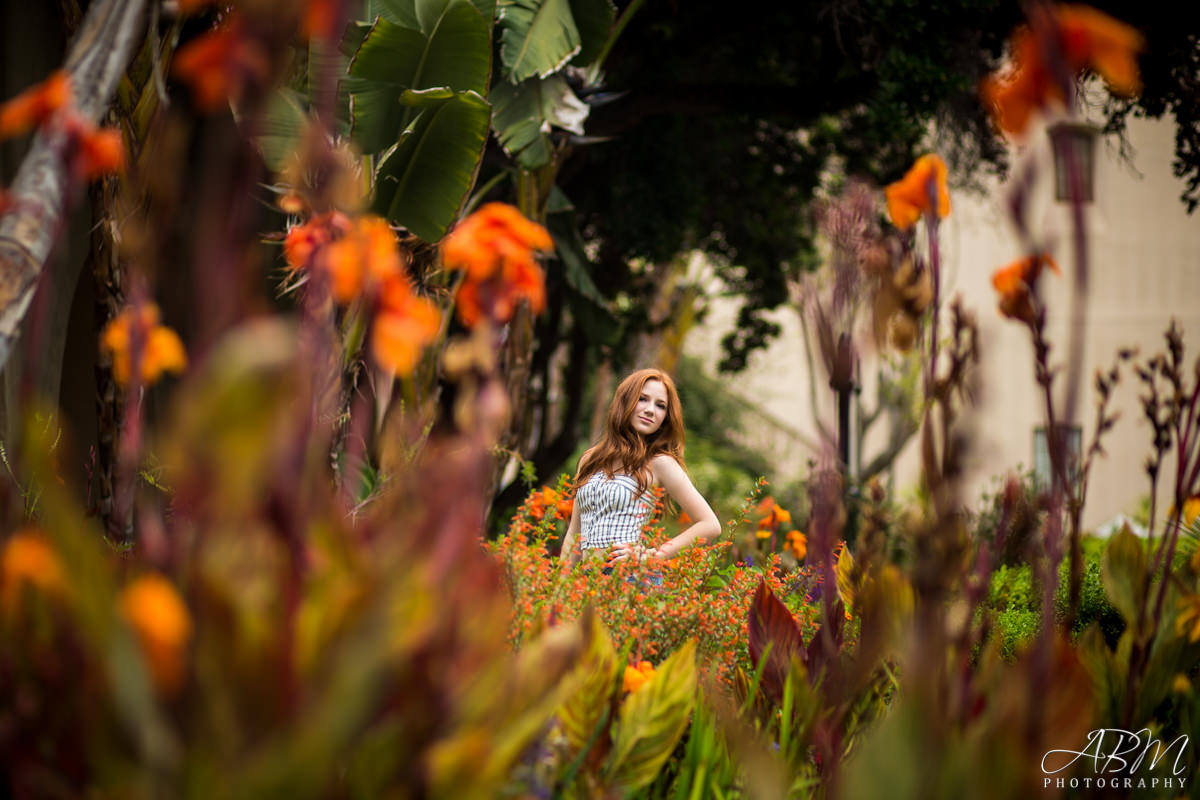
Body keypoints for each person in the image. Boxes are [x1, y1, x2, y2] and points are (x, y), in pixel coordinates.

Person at [560, 368, 721, 570]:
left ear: (666, 417)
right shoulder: (589, 459)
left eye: (660, 405)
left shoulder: (660, 463)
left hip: (628, 578)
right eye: (642, 399)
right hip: (588, 581)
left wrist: (650, 556)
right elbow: (574, 534)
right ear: (625, 402)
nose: (650, 410)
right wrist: (560, 589)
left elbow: (710, 524)